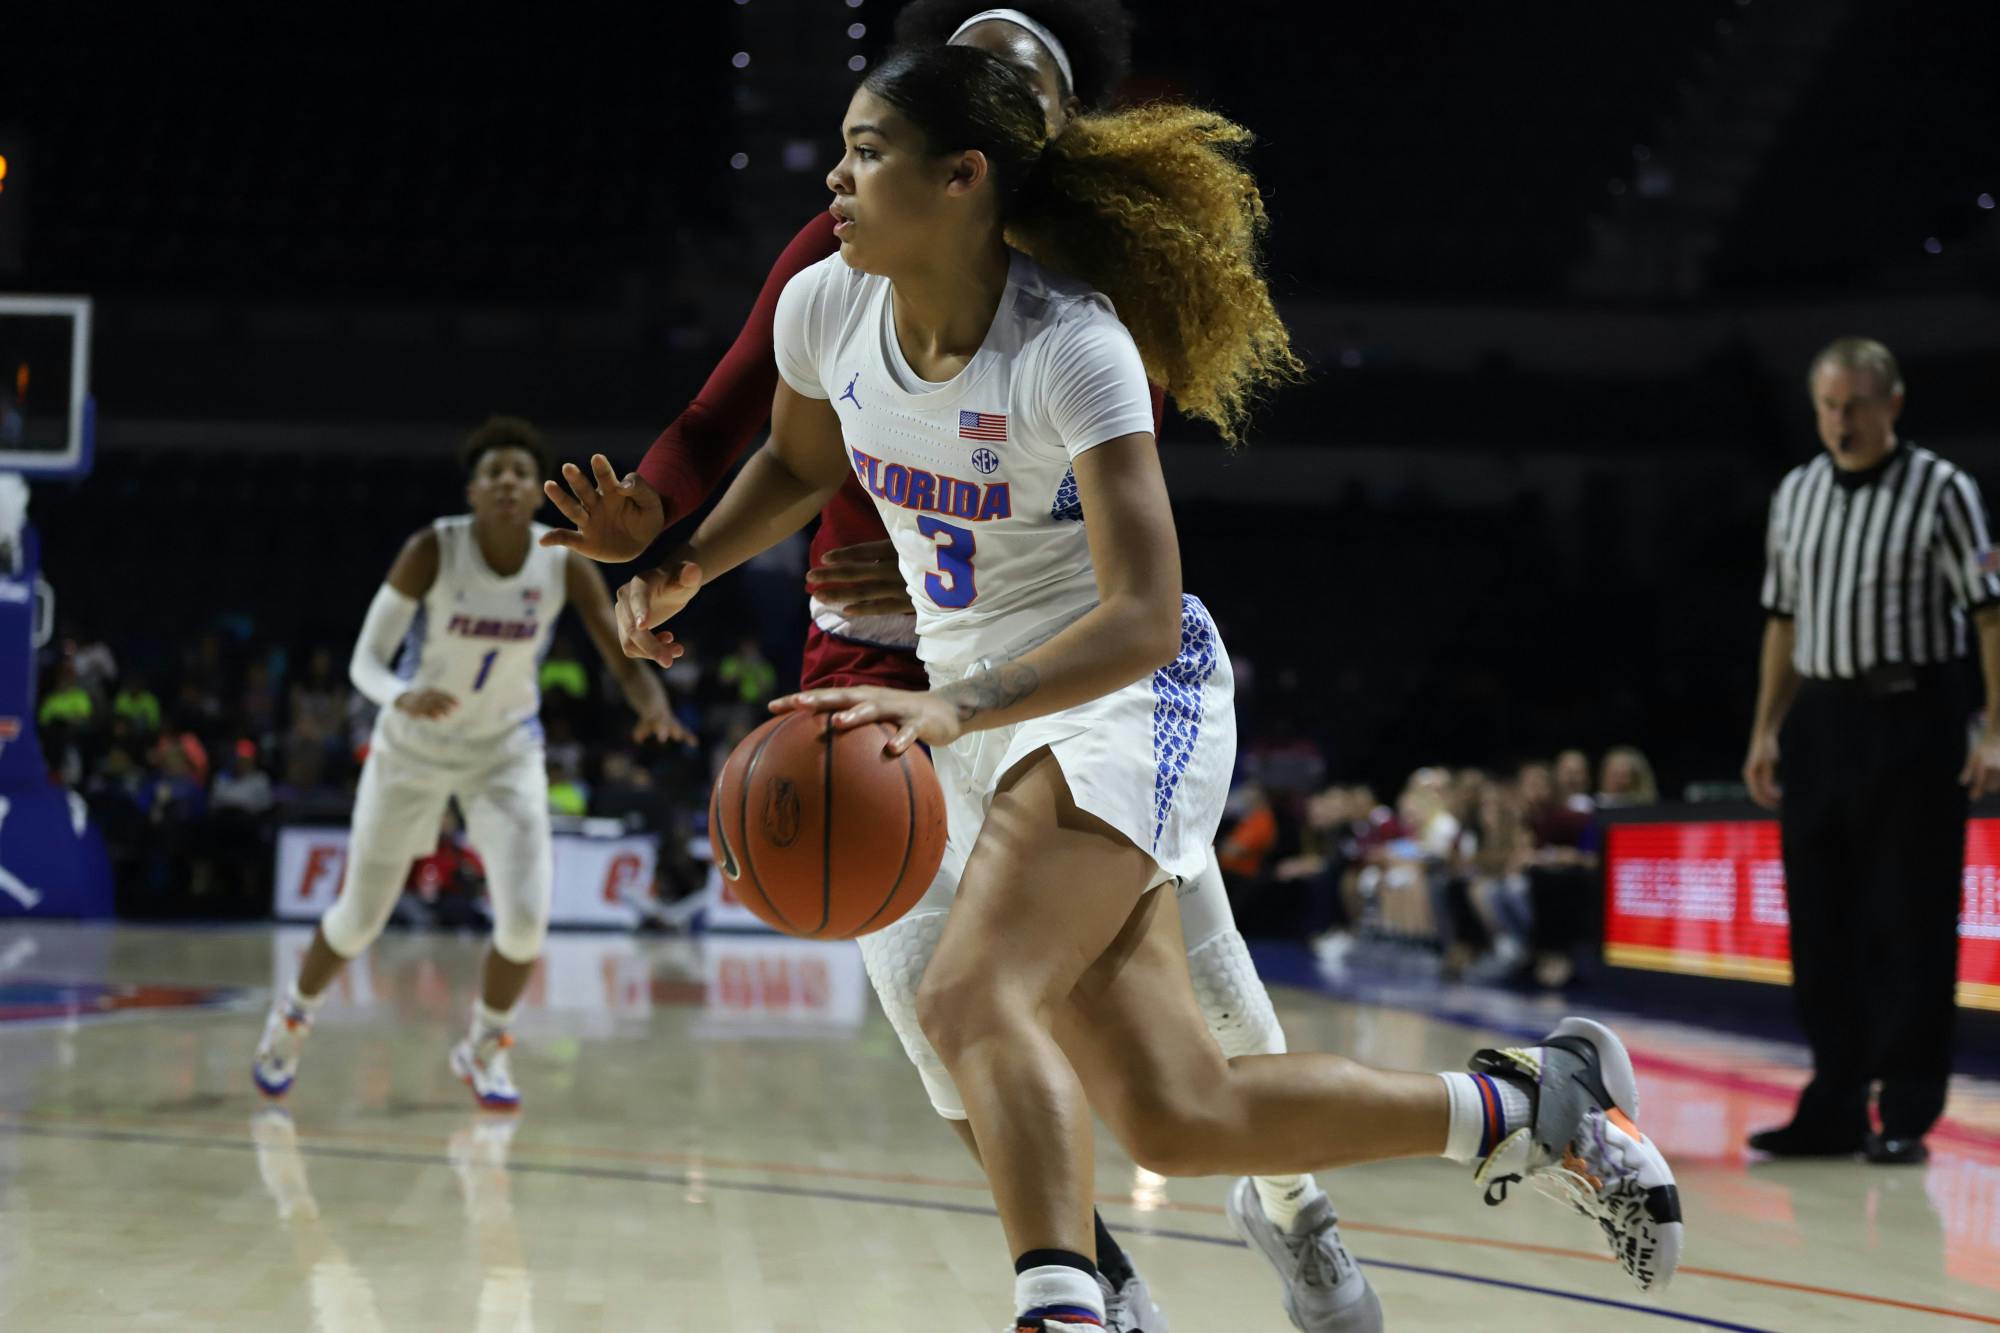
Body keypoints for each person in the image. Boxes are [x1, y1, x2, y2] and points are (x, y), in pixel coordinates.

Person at [582, 45, 1679, 1329]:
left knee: (969, 997)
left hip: (1124, 692)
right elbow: (793, 457)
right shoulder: (825, 304)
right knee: (1177, 1114)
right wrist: (689, 566)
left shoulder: (1071, 346)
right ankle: (1528, 1106)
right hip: (979, 704)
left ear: (962, 178)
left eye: (867, 152)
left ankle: (1062, 1307)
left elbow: (1144, 617)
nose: (834, 175)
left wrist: (958, 704)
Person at [539, 5, 1374, 1329]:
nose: (983, 88)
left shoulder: (1090, 304)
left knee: (1198, 1036)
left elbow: (1103, 554)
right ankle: (1093, 1282)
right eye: (966, 68)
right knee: (950, 1032)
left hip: (1069, 674)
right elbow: (753, 430)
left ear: (1031, 138)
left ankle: (1293, 1206)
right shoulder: (839, 261)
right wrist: (668, 539)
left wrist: (945, 596)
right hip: (872, 667)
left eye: (1015, 84)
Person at [251, 417, 686, 1110]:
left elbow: (622, 657)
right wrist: (400, 694)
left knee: (525, 922)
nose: (507, 481)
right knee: (359, 917)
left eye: (520, 472)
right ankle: (293, 1015)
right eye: (494, 472)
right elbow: (365, 661)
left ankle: (485, 1045)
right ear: (473, 491)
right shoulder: (433, 548)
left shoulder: (561, 560)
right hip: (413, 745)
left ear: (537, 491)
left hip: (503, 751)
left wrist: (654, 703)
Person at [1743, 336, 2000, 1165]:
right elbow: (1782, 618)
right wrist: (1765, 727)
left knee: (1911, 917)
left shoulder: (1944, 489)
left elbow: (1991, 613)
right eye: (1827, 405)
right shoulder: (1797, 491)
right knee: (1821, 920)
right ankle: (1834, 1101)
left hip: (1914, 711)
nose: (1839, 420)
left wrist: (1995, 728)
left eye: (1854, 404)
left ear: (1892, 403)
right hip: (1822, 717)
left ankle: (1906, 1108)